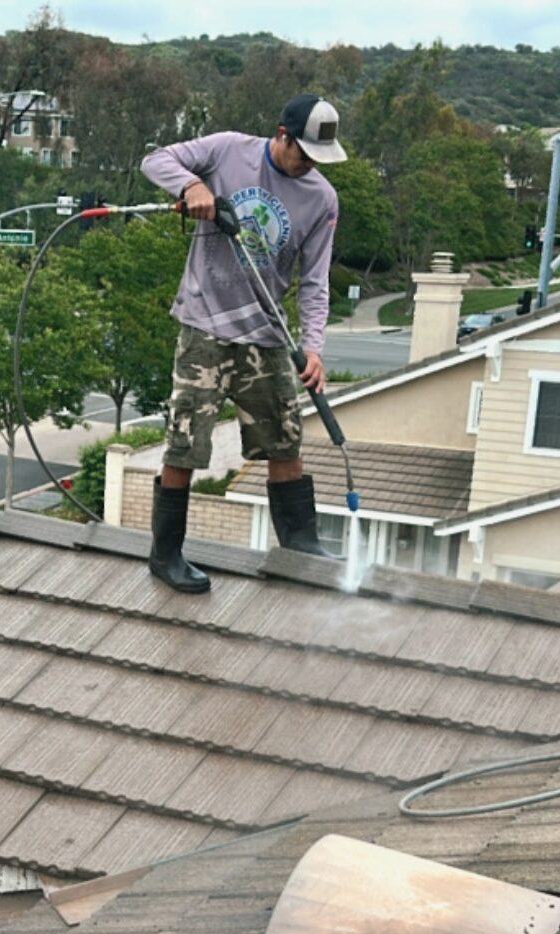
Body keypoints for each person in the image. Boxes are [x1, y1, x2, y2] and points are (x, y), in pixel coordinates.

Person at [140, 93, 347, 593]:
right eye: (303, 153)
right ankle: (166, 554)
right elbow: (154, 159)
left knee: (284, 436)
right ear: (281, 135)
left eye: (319, 159)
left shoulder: (322, 199)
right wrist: (192, 185)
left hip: (266, 334)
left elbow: (315, 283)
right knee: (186, 442)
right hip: (205, 325)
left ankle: (299, 544)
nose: (309, 166)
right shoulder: (228, 150)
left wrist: (313, 347)